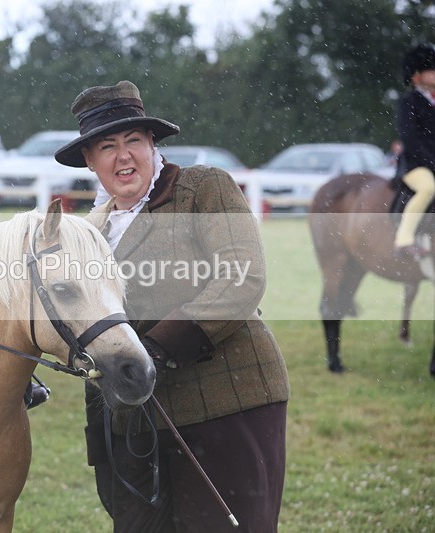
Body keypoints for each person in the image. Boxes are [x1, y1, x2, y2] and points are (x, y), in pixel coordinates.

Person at [54, 81, 290, 532]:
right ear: (90, 160)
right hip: (132, 419)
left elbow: (242, 277)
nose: (123, 157)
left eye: (133, 141)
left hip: (226, 402)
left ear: (152, 144)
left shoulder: (203, 187)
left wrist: (156, 349)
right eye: (107, 146)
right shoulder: (86, 233)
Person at [393, 44, 435, 259]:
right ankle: (404, 239)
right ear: (417, 76)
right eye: (432, 70)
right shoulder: (408, 103)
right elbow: (411, 140)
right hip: (416, 165)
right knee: (428, 188)